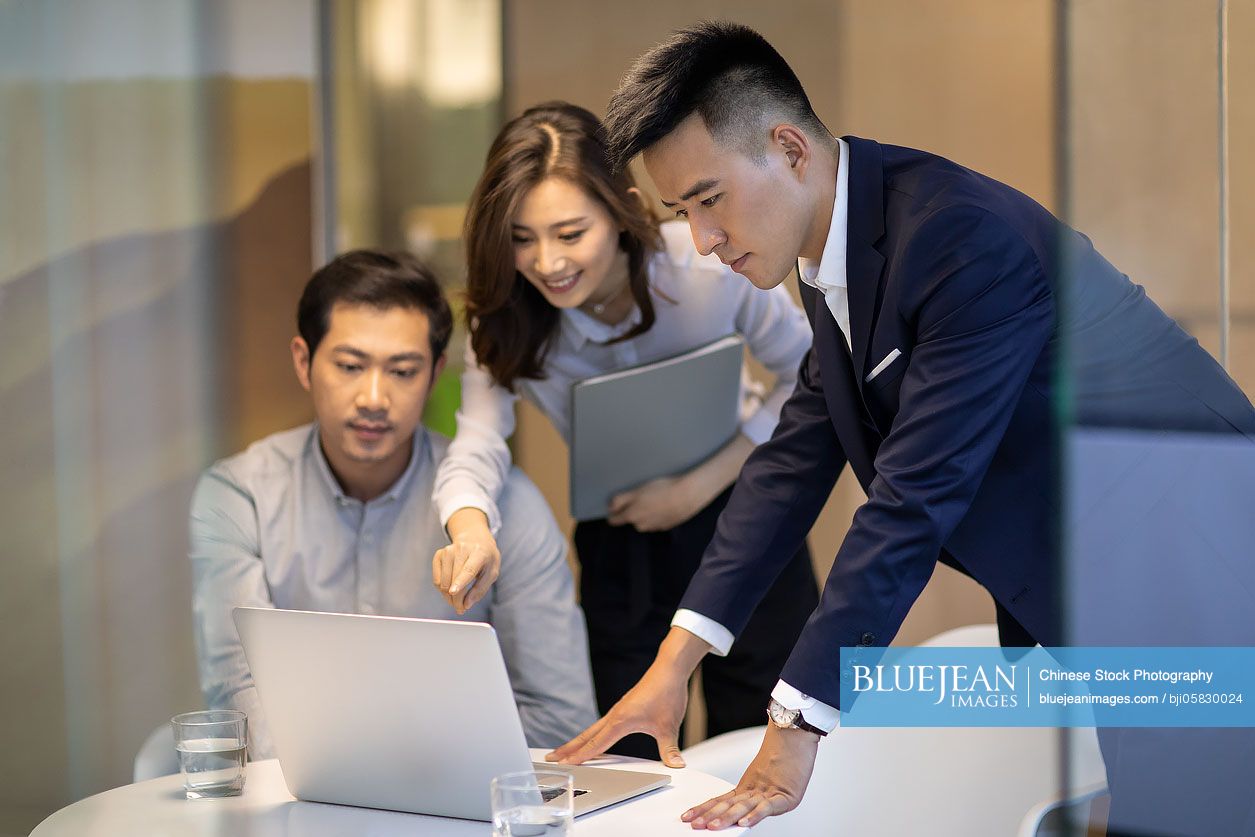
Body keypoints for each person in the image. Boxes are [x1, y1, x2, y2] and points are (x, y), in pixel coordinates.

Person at [545, 22, 1255, 834]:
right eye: (682, 211)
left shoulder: (958, 238)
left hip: (1193, 574)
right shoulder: (834, 252)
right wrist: (674, 664)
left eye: (709, 200)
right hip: (1111, 579)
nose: (703, 241)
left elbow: (914, 496)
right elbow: (792, 460)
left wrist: (797, 722)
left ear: (788, 148)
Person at [429, 102, 818, 758]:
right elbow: (477, 441)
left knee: (758, 741)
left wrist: (698, 485)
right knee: (631, 753)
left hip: (745, 516)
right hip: (620, 545)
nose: (546, 261)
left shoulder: (707, 267)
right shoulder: (504, 321)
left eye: (569, 232)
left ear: (621, 209)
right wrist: (469, 529)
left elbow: (808, 375)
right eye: (521, 238)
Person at [189, 249, 597, 758]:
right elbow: (239, 700)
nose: (374, 398)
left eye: (402, 371)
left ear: (434, 374)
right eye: (350, 366)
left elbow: (560, 717)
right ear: (303, 360)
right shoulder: (240, 496)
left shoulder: (504, 504)